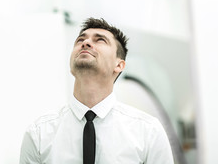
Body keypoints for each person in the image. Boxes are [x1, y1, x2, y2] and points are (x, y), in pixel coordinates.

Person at [19, 17, 174, 164]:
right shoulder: (39, 133)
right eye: (80, 40)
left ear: (119, 65)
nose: (85, 43)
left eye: (100, 40)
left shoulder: (148, 131)